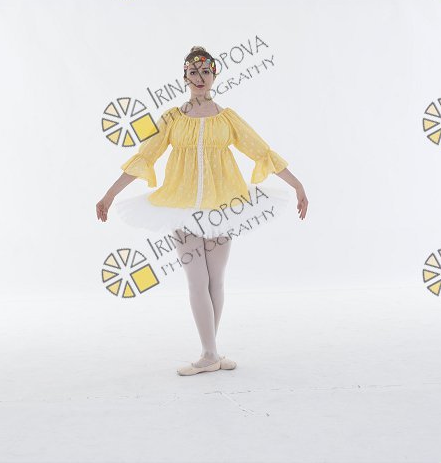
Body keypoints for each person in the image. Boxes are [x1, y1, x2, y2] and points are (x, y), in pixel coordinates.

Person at [96, 45, 308, 376]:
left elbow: (260, 151)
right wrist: (109, 195)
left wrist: (297, 185)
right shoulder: (171, 119)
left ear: (214, 76)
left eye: (205, 72)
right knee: (197, 280)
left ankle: (211, 353)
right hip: (181, 207)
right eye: (193, 72)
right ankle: (211, 354)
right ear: (184, 77)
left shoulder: (228, 119)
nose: (199, 78)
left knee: (215, 282)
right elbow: (145, 157)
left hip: (223, 207)